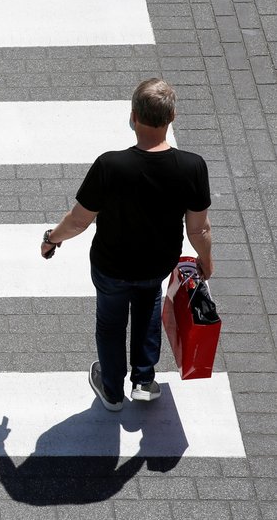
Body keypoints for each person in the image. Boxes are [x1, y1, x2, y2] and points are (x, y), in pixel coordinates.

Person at [40, 78, 213, 412]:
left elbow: (78, 220)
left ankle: (112, 390)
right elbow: (198, 229)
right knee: (148, 309)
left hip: (111, 265)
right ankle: (144, 380)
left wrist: (51, 240)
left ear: (133, 116)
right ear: (172, 116)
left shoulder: (110, 165)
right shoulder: (192, 166)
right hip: (157, 264)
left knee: (110, 323)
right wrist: (207, 260)